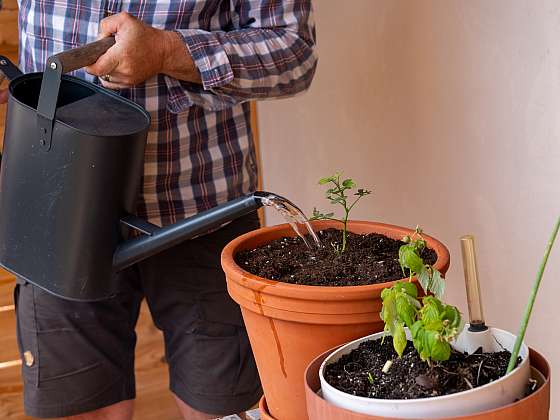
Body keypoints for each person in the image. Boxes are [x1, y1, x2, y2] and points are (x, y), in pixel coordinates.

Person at [0, 1, 317, 419]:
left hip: (200, 212)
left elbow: (294, 52)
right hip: (56, 217)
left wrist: (169, 52)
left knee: (224, 410)